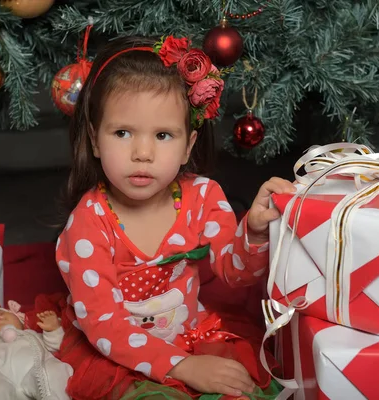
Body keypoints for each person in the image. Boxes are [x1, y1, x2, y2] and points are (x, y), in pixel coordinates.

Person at [55, 35, 295, 399]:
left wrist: (256, 233)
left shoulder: (202, 196)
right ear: (94, 138)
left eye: (163, 135)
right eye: (122, 133)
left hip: (190, 332)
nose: (143, 153)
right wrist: (182, 367)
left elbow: (235, 272)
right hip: (117, 350)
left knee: (242, 387)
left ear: (188, 146)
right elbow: (105, 325)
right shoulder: (89, 223)